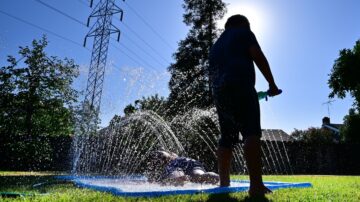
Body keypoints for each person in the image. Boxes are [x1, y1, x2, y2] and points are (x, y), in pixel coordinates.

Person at [209, 14, 281, 196]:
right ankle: (256, 186)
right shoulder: (243, 32)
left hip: (219, 91)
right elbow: (257, 54)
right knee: (251, 132)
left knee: (226, 137)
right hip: (241, 83)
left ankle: (223, 184)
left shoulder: (216, 45)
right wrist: (272, 84)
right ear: (242, 24)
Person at [146, 150, 219, 186]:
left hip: (175, 166)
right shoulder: (175, 157)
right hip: (192, 163)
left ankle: (180, 178)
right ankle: (217, 177)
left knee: (176, 179)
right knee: (200, 176)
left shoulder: (170, 164)